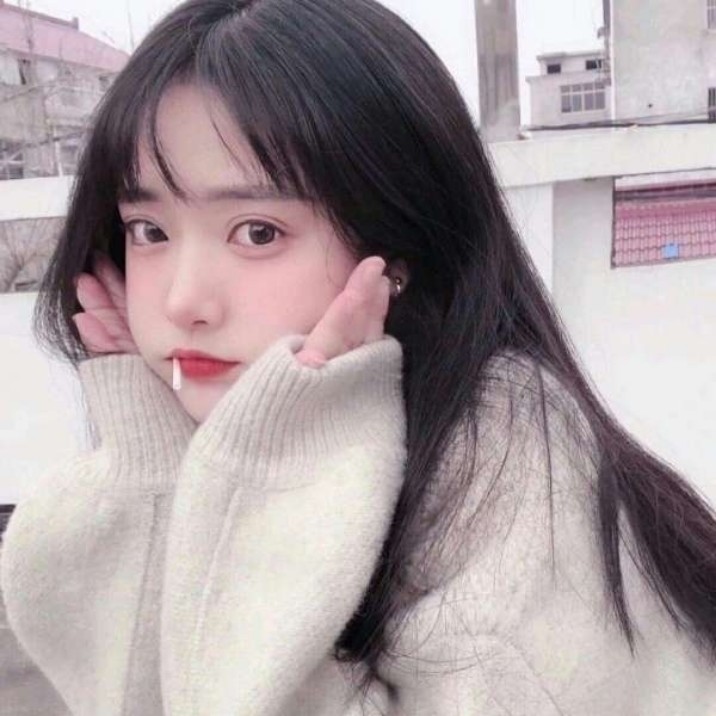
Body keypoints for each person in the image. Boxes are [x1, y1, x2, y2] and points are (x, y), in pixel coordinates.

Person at [1, 0, 715, 713]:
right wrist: (155, 477)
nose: (184, 300)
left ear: (397, 252)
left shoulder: (503, 460)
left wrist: (284, 474)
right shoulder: (202, 424)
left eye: (258, 232)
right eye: (149, 230)